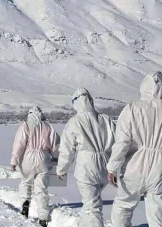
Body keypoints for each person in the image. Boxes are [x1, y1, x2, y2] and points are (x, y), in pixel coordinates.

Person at [106, 71, 162, 227]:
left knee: (123, 205)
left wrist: (112, 167)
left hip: (134, 166)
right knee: (157, 211)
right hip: (159, 169)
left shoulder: (133, 108)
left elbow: (122, 141)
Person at [56, 88, 116, 227]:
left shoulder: (75, 122)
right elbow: (119, 143)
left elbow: (67, 149)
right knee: (90, 202)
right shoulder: (105, 119)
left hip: (87, 167)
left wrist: (61, 169)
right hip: (106, 166)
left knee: (92, 207)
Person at [10, 106, 60, 227]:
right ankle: (43, 218)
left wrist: (14, 161)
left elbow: (19, 144)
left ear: (29, 114)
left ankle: (25, 203)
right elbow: (55, 146)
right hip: (43, 158)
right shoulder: (48, 127)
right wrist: (57, 158)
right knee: (41, 188)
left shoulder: (25, 126)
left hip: (27, 157)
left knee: (26, 182)